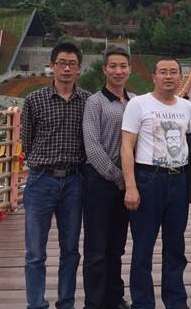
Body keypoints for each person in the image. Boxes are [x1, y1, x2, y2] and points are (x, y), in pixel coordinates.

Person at [121, 59, 191, 309]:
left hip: (179, 179)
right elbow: (126, 147)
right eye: (163, 72)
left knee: (175, 246)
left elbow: (186, 140)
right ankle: (143, 303)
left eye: (173, 72)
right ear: (153, 77)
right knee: (143, 246)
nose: (168, 76)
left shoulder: (186, 107)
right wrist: (131, 186)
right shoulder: (138, 104)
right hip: (148, 178)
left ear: (180, 77)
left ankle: (176, 301)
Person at [22, 41, 89, 309]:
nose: (66, 69)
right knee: (35, 251)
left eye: (72, 64)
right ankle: (36, 304)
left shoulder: (87, 101)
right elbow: (27, 142)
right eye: (62, 63)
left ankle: (66, 302)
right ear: (52, 66)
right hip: (41, 180)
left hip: (74, 180)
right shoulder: (34, 100)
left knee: (70, 249)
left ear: (79, 69)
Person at [82, 46, 134, 309]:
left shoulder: (135, 101)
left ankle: (115, 298)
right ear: (104, 69)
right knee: (96, 248)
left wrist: (129, 180)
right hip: (100, 181)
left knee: (116, 246)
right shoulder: (95, 102)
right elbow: (92, 146)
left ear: (129, 69)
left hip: (126, 183)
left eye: (123, 66)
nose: (118, 71)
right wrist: (118, 177)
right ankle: (94, 302)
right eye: (113, 66)